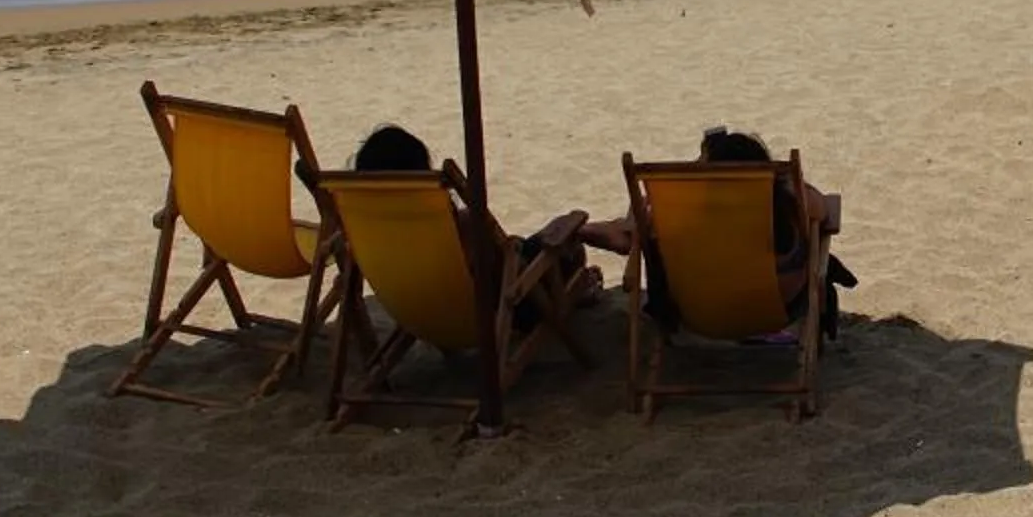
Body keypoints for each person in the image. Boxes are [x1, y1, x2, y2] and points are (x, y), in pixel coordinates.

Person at [582, 126, 858, 336]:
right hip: (776, 308)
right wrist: (782, 179)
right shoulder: (784, 202)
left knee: (640, 231)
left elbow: (641, 229)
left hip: (699, 312)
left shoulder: (681, 213)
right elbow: (822, 210)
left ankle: (590, 230)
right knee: (815, 237)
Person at [349, 124, 598, 318]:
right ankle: (581, 282)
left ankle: (581, 259)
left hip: (418, 313)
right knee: (568, 240)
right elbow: (501, 274)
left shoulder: (369, 231)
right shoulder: (461, 226)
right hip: (509, 308)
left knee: (541, 238)